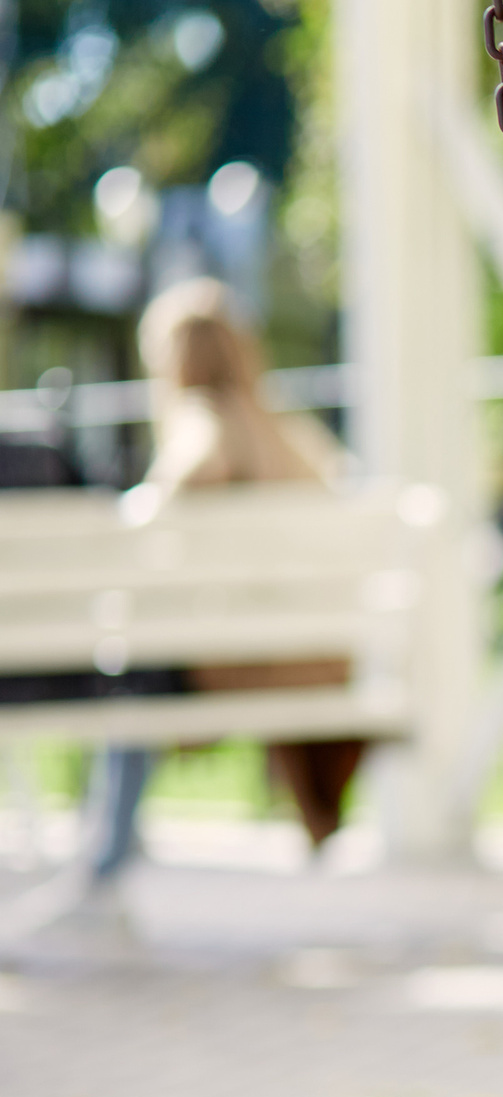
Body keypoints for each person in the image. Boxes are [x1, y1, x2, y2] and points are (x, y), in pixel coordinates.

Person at [88, 279, 359, 886]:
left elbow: (182, 487)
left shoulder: (200, 424)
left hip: (243, 662)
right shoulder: (287, 432)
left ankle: (106, 854)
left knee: (130, 674)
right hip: (317, 656)